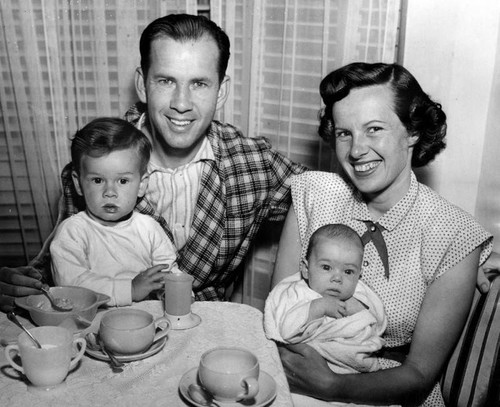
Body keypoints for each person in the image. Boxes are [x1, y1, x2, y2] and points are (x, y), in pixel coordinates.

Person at [0, 13, 306, 312]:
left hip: (205, 326)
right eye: (165, 81)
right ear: (142, 84)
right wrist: (19, 284)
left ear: (221, 90)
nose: (181, 104)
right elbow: (62, 266)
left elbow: (329, 193)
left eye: (199, 83)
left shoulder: (251, 161)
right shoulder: (96, 161)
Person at [272, 63, 493, 406]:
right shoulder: (314, 194)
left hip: (391, 388)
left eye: (374, 129)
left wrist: (333, 387)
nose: (356, 150)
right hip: (299, 370)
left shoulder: (453, 234)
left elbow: (419, 374)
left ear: (413, 131)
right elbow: (280, 308)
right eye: (344, 133)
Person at [50, 117, 182, 306]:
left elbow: (167, 270)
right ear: (78, 184)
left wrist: (174, 290)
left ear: (142, 184)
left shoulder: (149, 228)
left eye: (122, 181)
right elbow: (70, 283)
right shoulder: (73, 231)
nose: (109, 193)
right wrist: (130, 289)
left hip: (147, 316)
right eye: (98, 180)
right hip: (95, 320)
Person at [264, 223, 387, 377]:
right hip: (305, 369)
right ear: (306, 269)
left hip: (354, 373)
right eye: (326, 267)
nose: (337, 278)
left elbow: (376, 325)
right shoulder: (298, 293)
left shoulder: (359, 294)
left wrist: (359, 310)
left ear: (358, 275)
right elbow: (287, 331)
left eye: (348, 271)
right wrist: (318, 307)